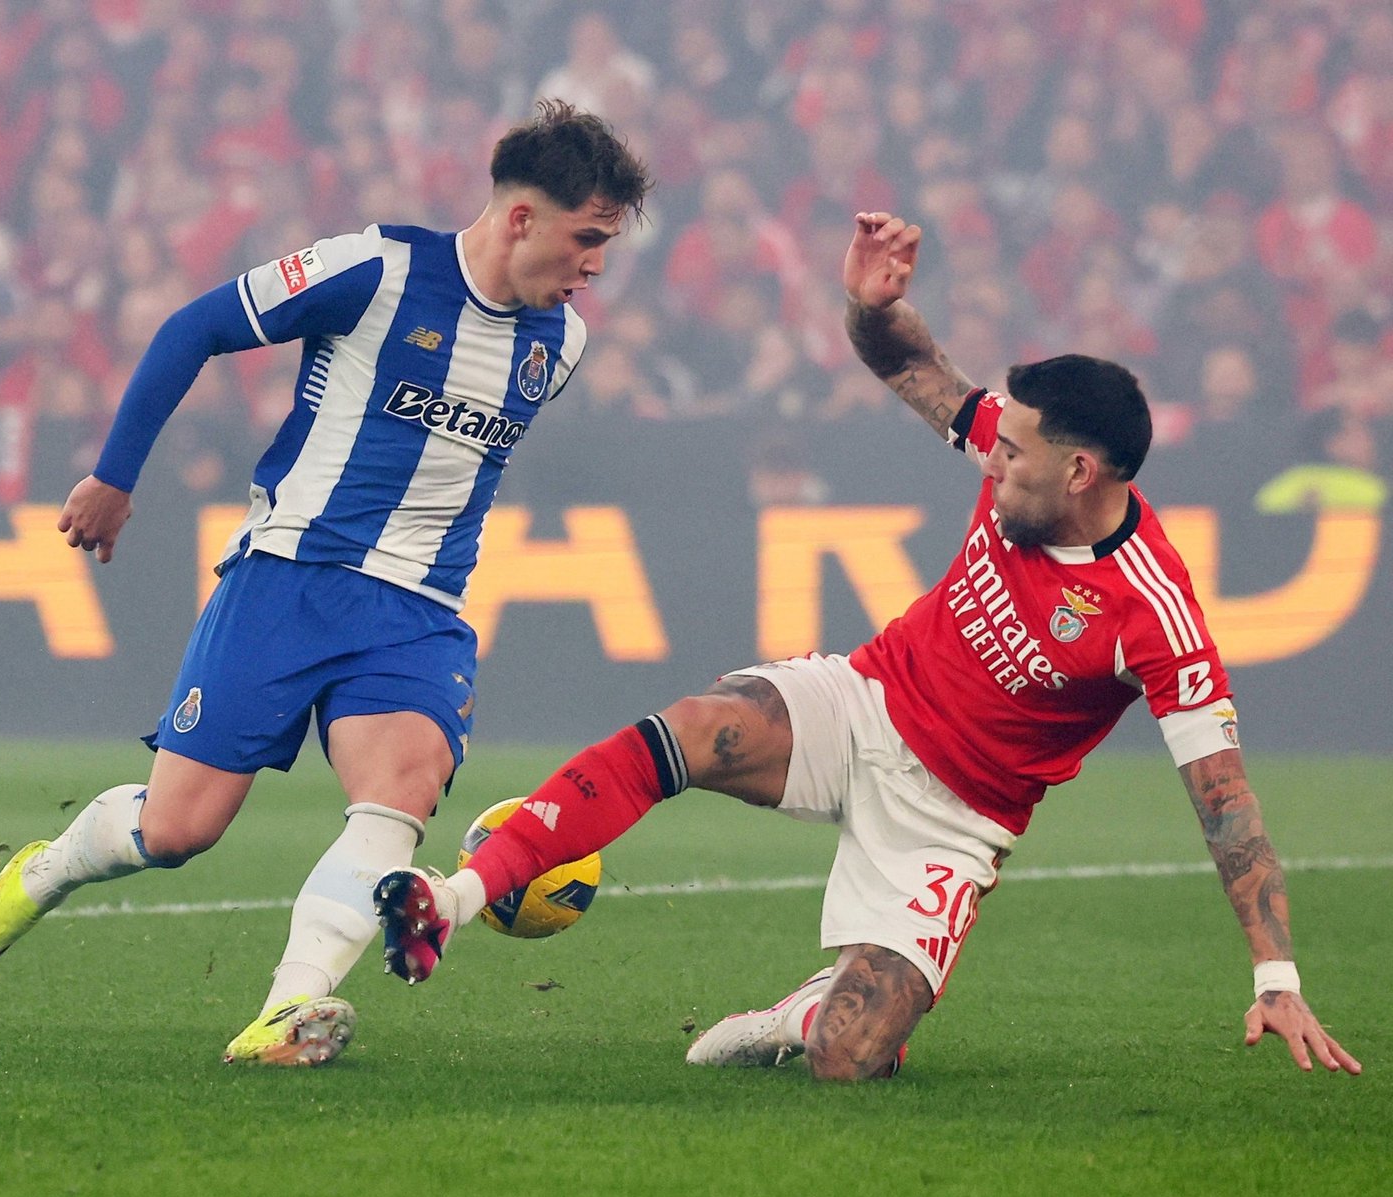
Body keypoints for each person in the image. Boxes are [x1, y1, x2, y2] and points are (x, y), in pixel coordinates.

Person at [375, 211, 1361, 1082]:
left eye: (1012, 452)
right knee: (699, 726)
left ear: (1080, 471)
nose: (992, 452)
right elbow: (906, 363)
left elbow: (1224, 800)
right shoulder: (1011, 449)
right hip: (865, 701)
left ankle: (809, 1008)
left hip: (956, 818)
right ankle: (452, 898)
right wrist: (869, 304)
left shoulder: (1153, 613)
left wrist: (1275, 975)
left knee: (847, 1061)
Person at [0, 100, 653, 1067]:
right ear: (522, 217)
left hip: (420, 609)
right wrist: (115, 474)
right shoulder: (376, 270)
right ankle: (46, 870)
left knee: (399, 796)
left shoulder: (556, 346)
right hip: (289, 578)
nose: (596, 265)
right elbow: (195, 328)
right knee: (179, 828)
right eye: (588, 238)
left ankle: (289, 1008)